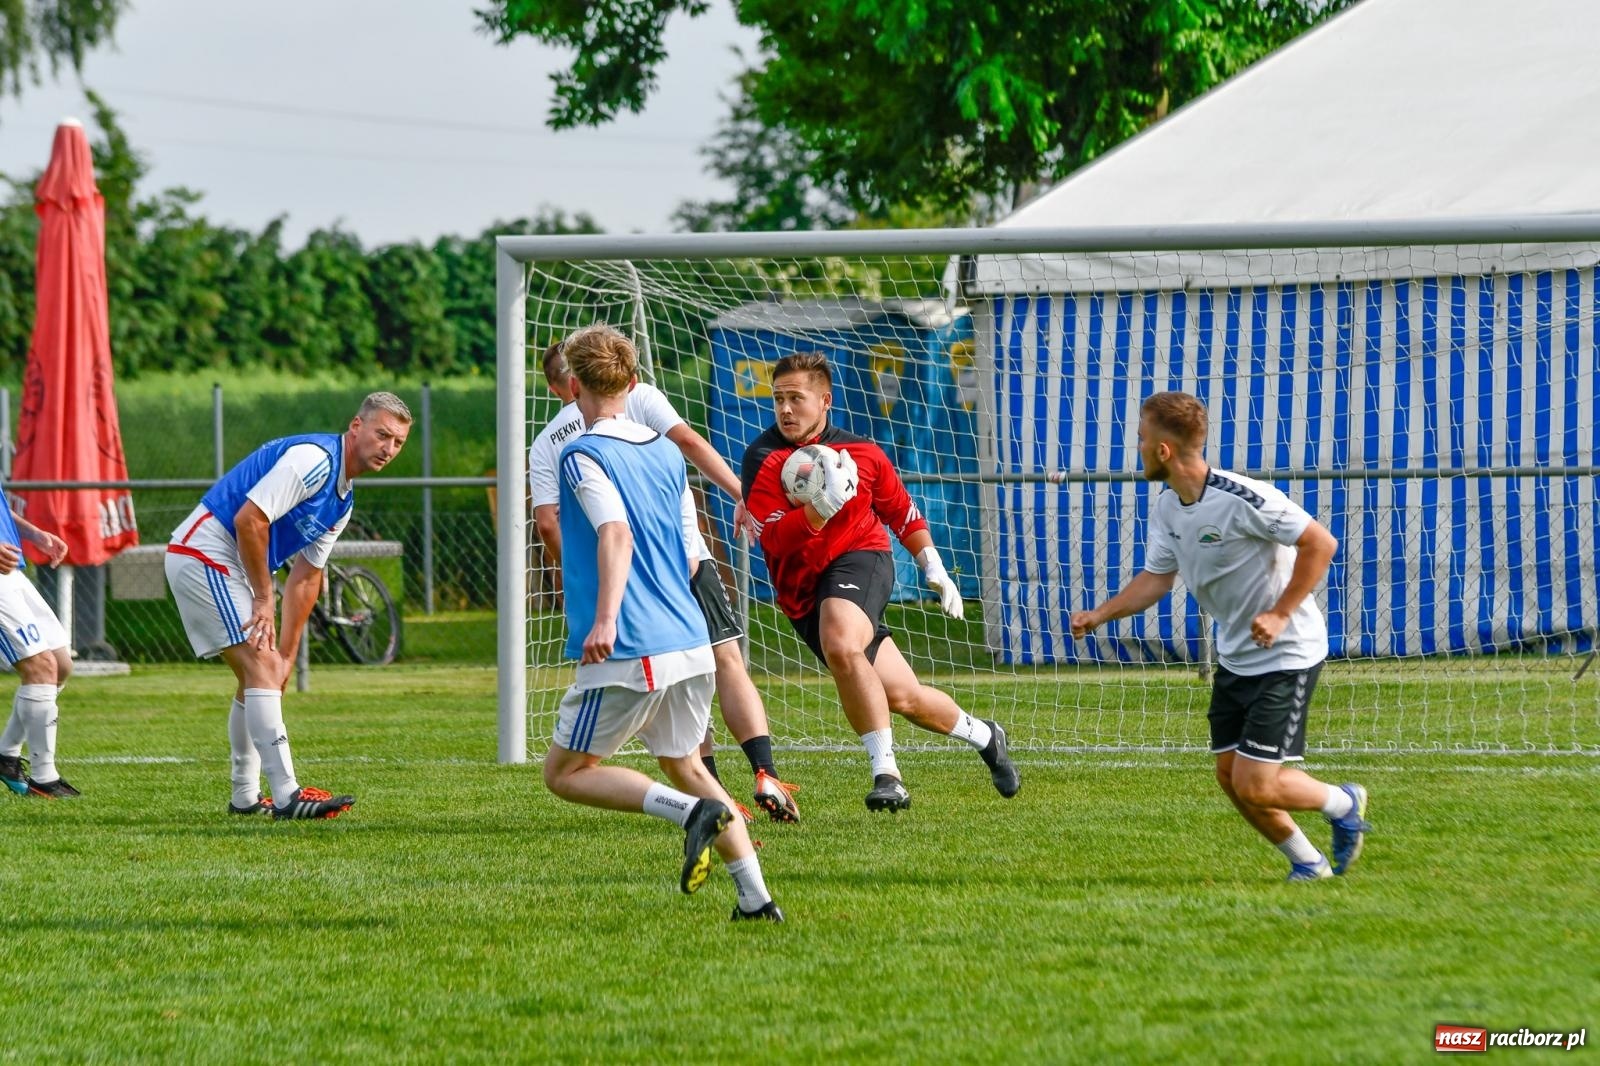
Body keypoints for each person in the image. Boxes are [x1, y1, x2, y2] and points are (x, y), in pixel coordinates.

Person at [1069, 391, 1371, 881]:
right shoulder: (1170, 506)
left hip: (1286, 651)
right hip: (1236, 654)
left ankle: (1343, 801)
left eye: (1142, 439)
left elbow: (1320, 542)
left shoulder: (1243, 497)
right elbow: (1157, 579)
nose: (1139, 447)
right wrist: (1100, 615)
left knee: (1256, 783)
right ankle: (1309, 864)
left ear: (1163, 451)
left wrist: (1278, 613)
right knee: (1231, 778)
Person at [543, 324, 781, 920]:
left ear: (573, 385)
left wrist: (604, 619)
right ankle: (755, 898)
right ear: (632, 380)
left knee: (568, 772)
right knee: (685, 763)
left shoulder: (581, 452)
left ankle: (688, 814)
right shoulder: (666, 449)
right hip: (689, 637)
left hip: (633, 642)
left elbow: (615, 534)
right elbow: (684, 543)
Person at [741, 352, 1020, 812]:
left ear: (825, 400)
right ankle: (987, 735)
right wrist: (819, 508)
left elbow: (901, 511)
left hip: (861, 559)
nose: (786, 409)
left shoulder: (863, 453)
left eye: (797, 398)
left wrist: (933, 565)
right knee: (903, 696)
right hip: (801, 590)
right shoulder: (764, 457)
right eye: (778, 400)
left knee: (841, 641)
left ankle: (887, 774)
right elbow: (773, 538)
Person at [163, 392, 412, 820]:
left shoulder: (343, 500)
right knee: (259, 666)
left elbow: (307, 576)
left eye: (398, 442)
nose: (388, 449)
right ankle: (286, 795)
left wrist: (290, 656)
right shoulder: (314, 459)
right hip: (204, 551)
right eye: (382, 435)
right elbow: (249, 520)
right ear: (357, 426)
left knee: (260, 675)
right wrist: (263, 598)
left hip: (231, 562)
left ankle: (244, 798)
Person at [0, 494, 76, 799]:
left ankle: (6, 756)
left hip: (11, 571)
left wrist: (34, 534)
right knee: (41, 666)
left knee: (61, 664)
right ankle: (45, 778)